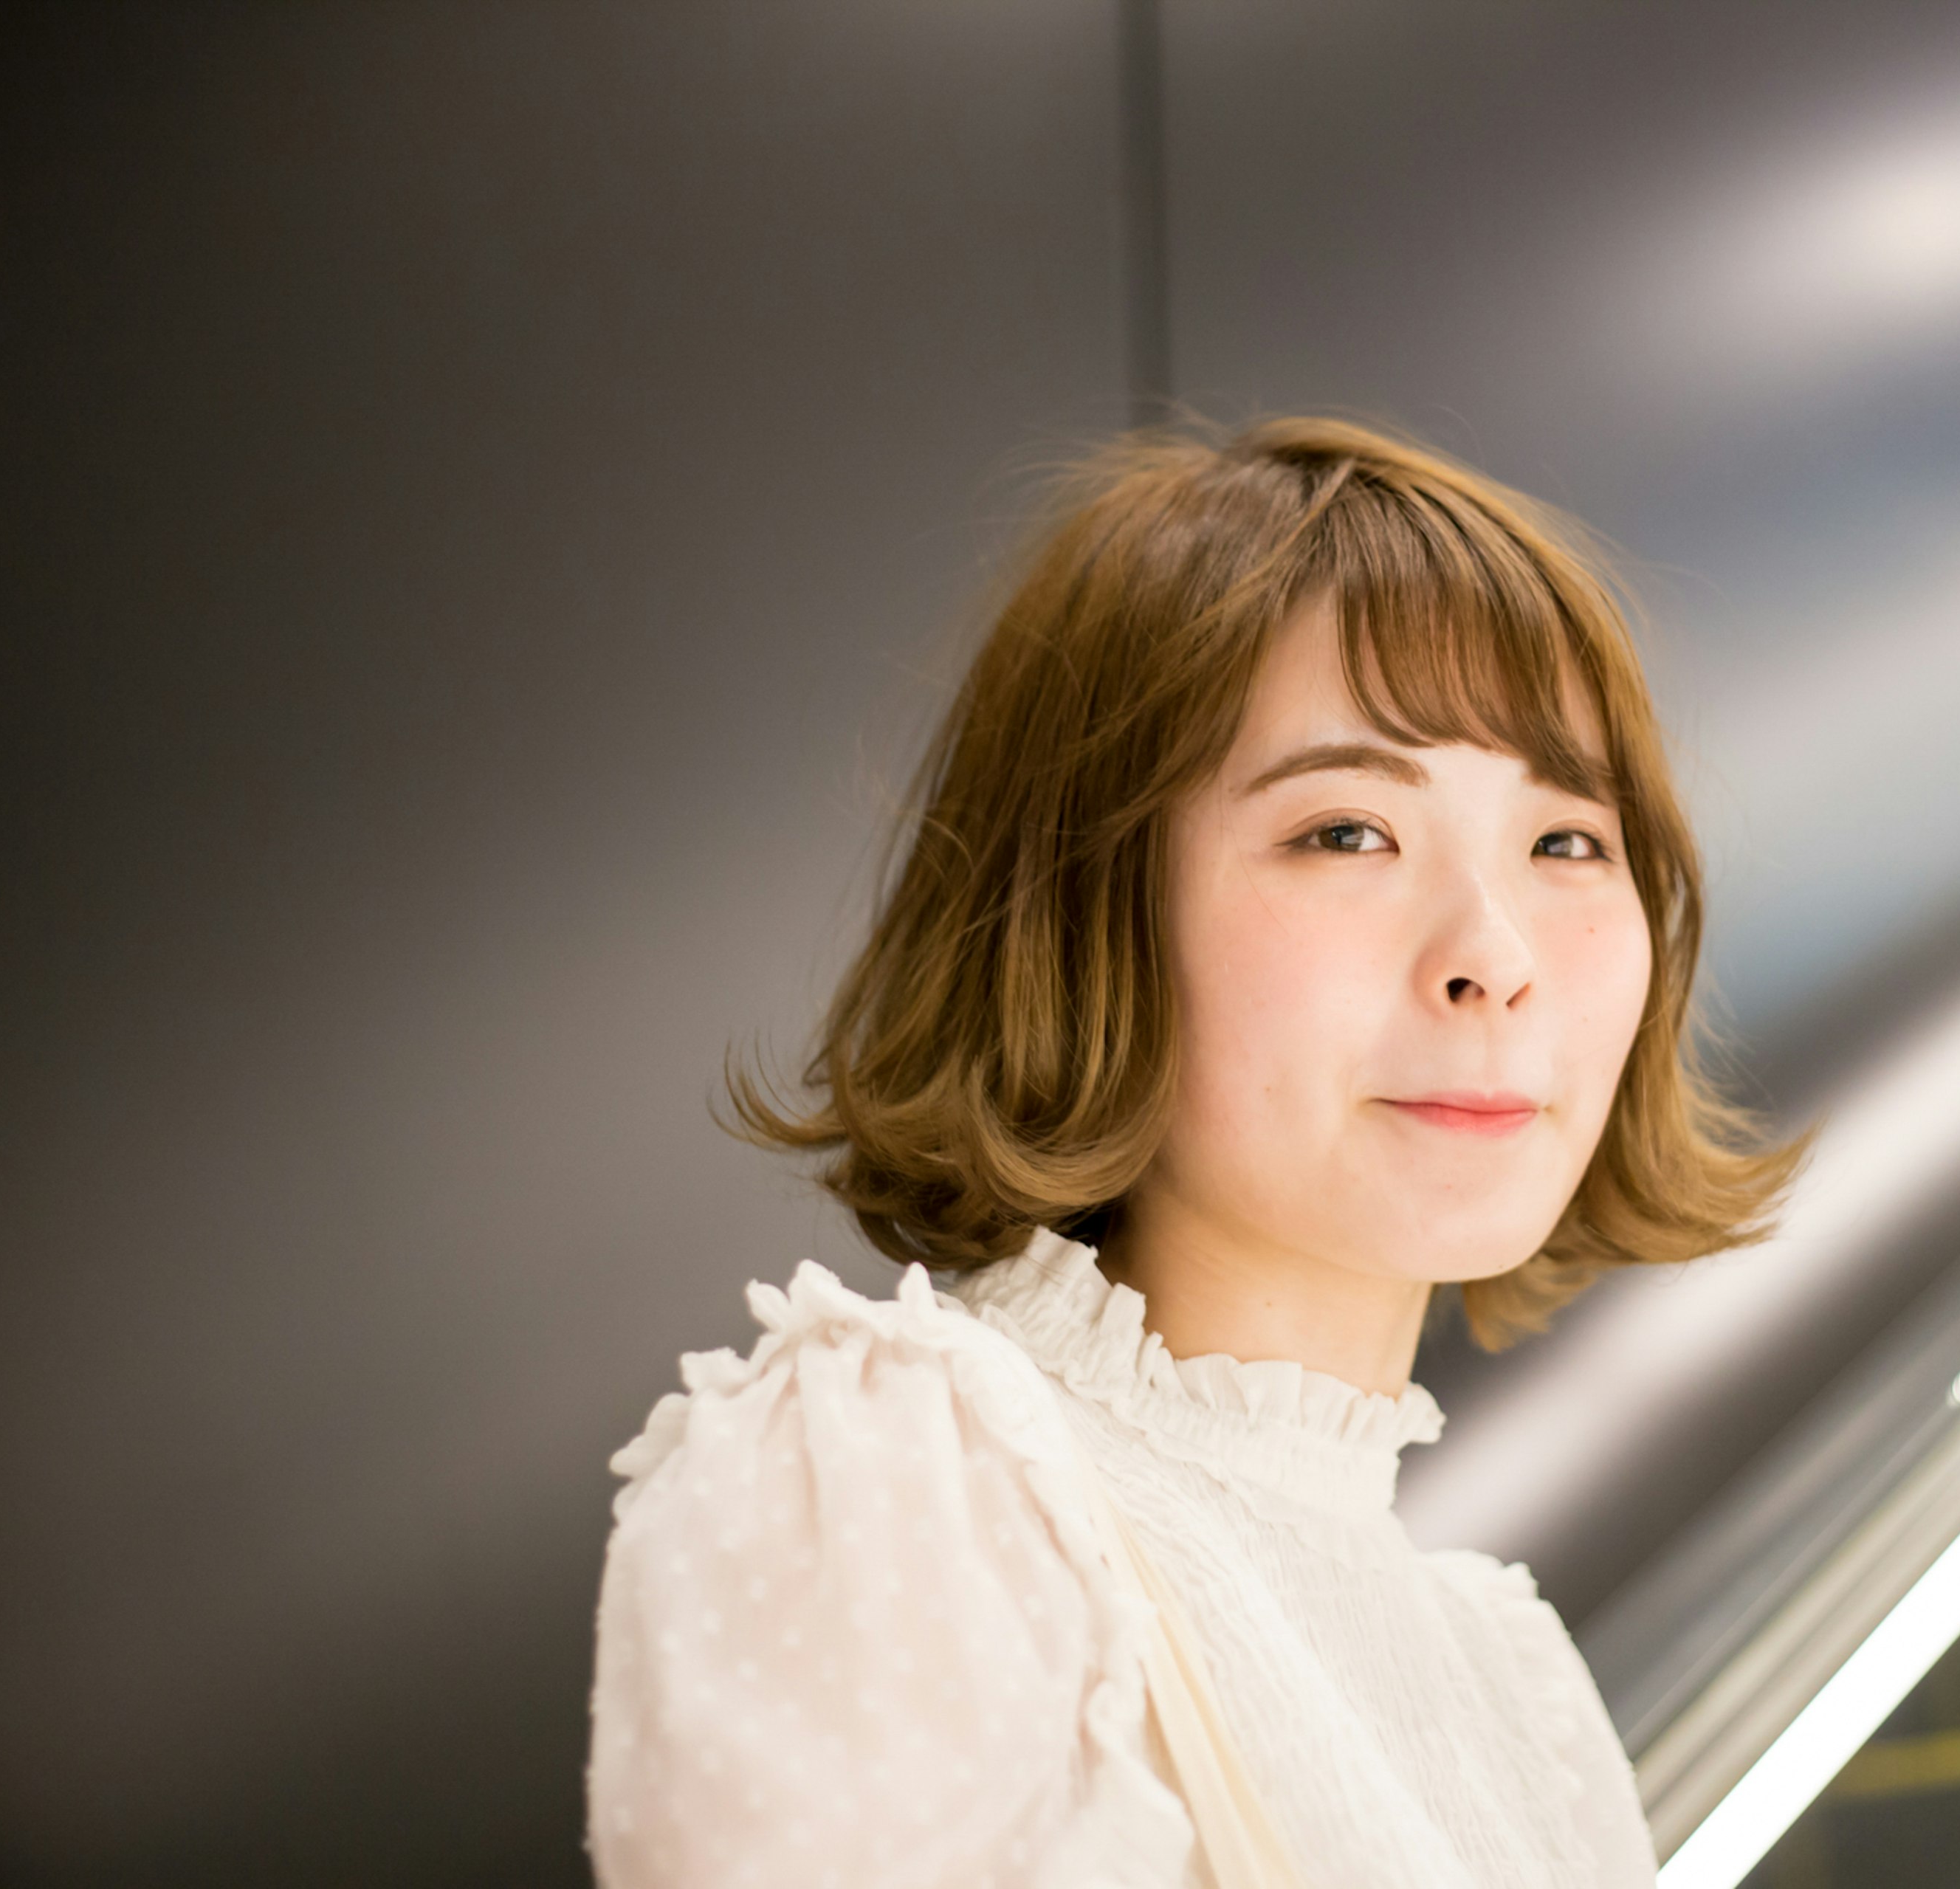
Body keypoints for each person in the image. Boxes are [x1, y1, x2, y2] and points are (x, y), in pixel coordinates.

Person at [585, 417, 1801, 1887]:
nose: (1494, 955)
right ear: (1090, 908)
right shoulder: (904, 1480)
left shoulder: (1510, 1683)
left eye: (1567, 841)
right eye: (1348, 831)